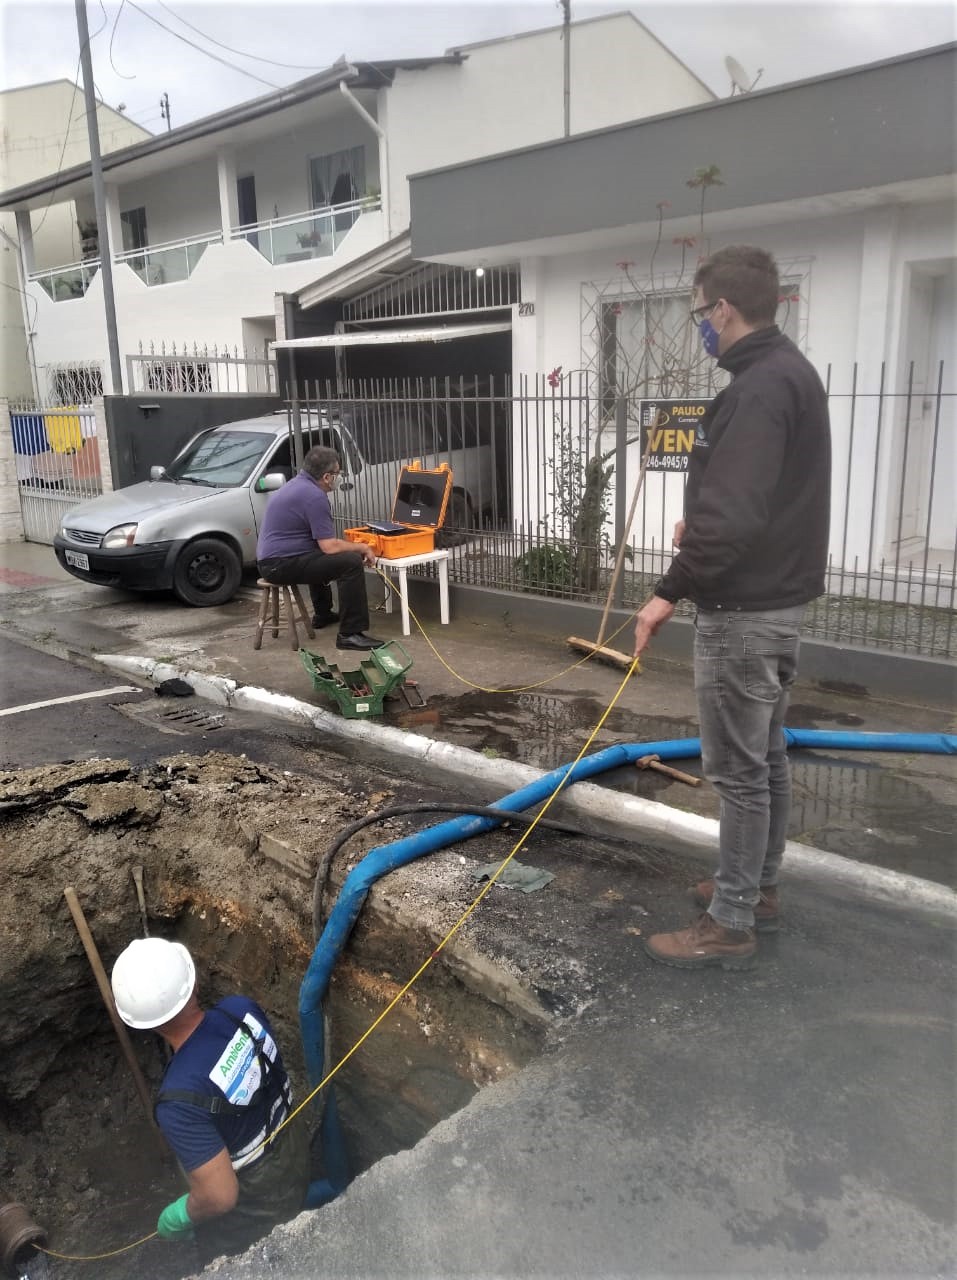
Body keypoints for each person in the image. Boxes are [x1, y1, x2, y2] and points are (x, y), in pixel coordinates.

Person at [633, 245, 831, 971]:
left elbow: (738, 514)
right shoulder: (788, 376)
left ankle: (729, 922)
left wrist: (664, 592)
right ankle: (755, 888)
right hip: (775, 602)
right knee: (766, 759)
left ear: (722, 308)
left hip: (743, 614)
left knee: (739, 772)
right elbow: (758, 499)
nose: (699, 326)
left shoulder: (756, 388)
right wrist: (708, 520)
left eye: (698, 311)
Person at [110, 937, 311, 1262]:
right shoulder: (239, 1010)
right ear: (194, 984)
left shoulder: (177, 1103)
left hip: (256, 1202)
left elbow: (220, 1196)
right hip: (294, 1147)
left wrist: (183, 1214)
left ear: (145, 1024)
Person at [256, 444, 383, 651]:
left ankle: (323, 614)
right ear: (326, 477)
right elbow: (330, 547)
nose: (339, 477)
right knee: (349, 562)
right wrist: (361, 548)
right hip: (279, 565)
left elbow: (321, 546)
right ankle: (350, 634)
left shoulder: (296, 485)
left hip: (272, 562)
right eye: (338, 473)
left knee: (317, 553)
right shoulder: (314, 496)